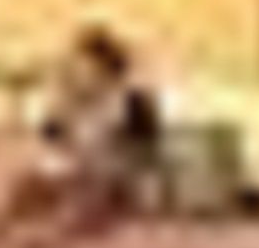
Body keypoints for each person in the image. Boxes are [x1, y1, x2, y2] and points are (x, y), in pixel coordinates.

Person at [37, 22, 166, 224]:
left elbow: (146, 157)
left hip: (115, 183)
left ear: (104, 68)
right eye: (74, 67)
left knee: (89, 186)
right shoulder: (70, 103)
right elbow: (49, 145)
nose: (78, 73)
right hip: (75, 180)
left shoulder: (131, 102)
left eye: (85, 67)